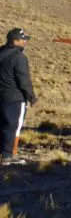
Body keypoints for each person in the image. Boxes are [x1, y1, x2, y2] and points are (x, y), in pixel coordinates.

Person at [0, 28, 36, 166]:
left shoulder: (1, 51)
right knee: (13, 125)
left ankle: (4, 152)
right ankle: (8, 155)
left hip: (1, 95)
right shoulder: (19, 57)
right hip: (14, 97)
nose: (25, 42)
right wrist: (31, 96)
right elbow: (23, 80)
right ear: (15, 41)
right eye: (23, 40)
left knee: (2, 123)